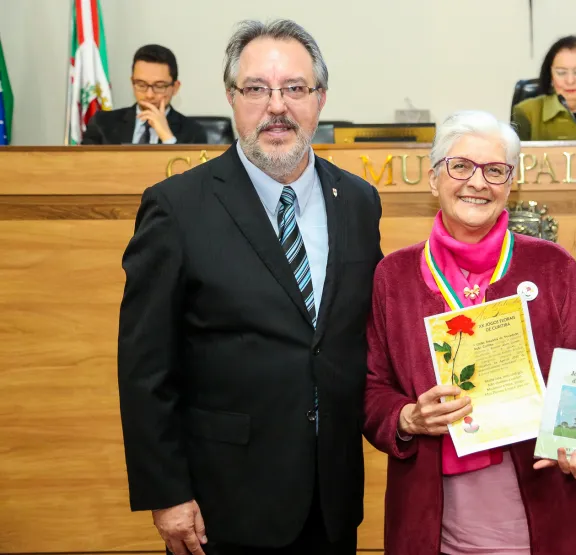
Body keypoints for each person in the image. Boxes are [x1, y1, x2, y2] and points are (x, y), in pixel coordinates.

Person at [117, 19, 382, 555]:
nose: (276, 106)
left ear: (321, 98)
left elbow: (362, 334)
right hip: (224, 503)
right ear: (232, 98)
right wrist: (166, 493)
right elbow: (145, 367)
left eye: (295, 88)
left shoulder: (357, 200)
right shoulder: (176, 208)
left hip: (331, 500)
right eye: (257, 88)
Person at [363, 110, 576, 555]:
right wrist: (407, 417)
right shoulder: (393, 276)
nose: (477, 182)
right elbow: (371, 386)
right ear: (434, 178)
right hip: (431, 518)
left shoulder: (553, 266)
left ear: (510, 184)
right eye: (460, 166)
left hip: (544, 511)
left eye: (494, 170)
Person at [82, 44, 207, 145]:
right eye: (141, 85)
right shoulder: (102, 123)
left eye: (159, 86)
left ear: (175, 87)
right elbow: (83, 165)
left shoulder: (193, 132)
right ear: (132, 83)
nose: (149, 95)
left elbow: (192, 169)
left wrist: (168, 138)